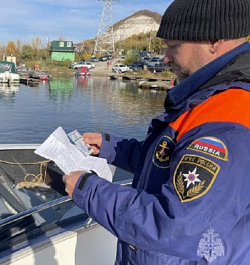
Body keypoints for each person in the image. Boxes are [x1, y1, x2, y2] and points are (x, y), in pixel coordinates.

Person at [63, 0, 250, 264]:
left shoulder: (229, 123)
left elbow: (176, 226)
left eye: (174, 46)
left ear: (213, 40)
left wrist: (88, 189)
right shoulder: (209, 100)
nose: (166, 57)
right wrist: (110, 148)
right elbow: (169, 160)